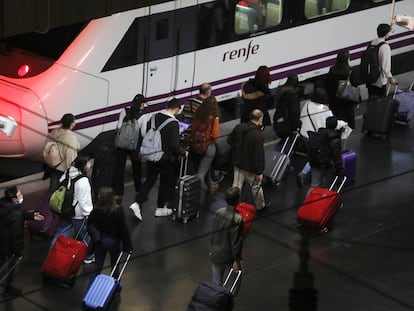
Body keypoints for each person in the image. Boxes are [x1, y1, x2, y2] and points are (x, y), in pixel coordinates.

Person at [130, 98, 188, 217]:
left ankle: (137, 202)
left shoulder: (153, 117)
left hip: (151, 155)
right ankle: (160, 208)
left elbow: (146, 132)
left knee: (149, 181)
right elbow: (173, 145)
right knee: (164, 183)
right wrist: (183, 152)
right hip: (165, 158)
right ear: (177, 109)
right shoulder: (173, 123)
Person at [49, 155, 95, 264]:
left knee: (60, 233)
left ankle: (52, 254)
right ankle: (88, 256)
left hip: (65, 210)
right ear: (83, 165)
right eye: (88, 162)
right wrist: (88, 214)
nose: (90, 164)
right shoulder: (83, 181)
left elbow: (61, 183)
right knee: (86, 236)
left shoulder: (68, 172)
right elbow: (85, 201)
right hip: (78, 214)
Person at [0, 186, 44, 297]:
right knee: (11, 267)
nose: (22, 196)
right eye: (19, 195)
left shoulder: (4, 206)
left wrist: (30, 216)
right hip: (10, 246)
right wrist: (18, 251)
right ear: (14, 199)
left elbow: (17, 213)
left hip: (2, 241)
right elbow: (17, 235)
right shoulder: (16, 214)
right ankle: (8, 287)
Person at [87, 187, 132, 287]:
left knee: (97, 267)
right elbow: (123, 228)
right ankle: (115, 287)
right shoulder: (117, 210)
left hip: (100, 241)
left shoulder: (96, 211)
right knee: (115, 266)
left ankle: (90, 288)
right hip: (114, 242)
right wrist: (128, 246)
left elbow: (90, 225)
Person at [227, 109, 270, 210]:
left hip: (237, 163)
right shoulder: (258, 136)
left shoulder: (239, 127)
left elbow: (229, 140)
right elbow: (258, 156)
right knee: (256, 187)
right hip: (250, 168)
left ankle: (233, 206)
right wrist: (259, 172)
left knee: (236, 187)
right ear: (260, 119)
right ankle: (260, 207)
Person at [112, 94, 147, 200]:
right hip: (134, 147)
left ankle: (118, 192)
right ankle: (139, 190)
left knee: (119, 169)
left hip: (121, 145)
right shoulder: (143, 117)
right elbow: (144, 133)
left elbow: (118, 126)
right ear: (141, 105)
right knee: (136, 169)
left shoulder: (124, 111)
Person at [210, 187, 243, 285]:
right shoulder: (237, 219)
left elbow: (213, 234)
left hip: (215, 253)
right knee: (233, 283)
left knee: (216, 283)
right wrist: (237, 260)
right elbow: (236, 242)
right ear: (238, 200)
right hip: (228, 257)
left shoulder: (218, 212)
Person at [190, 96, 221, 195]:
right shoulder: (214, 118)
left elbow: (193, 128)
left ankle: (211, 185)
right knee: (201, 173)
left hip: (195, 145)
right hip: (207, 147)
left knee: (204, 167)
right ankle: (193, 193)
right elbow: (215, 136)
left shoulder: (198, 114)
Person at [307, 116, 344, 195]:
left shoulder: (318, 135)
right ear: (335, 125)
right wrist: (340, 171)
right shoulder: (335, 139)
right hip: (328, 166)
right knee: (332, 187)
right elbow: (336, 157)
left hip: (316, 163)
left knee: (314, 186)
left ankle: (307, 204)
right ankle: (331, 204)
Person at [44, 113, 80, 193]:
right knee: (62, 192)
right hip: (63, 169)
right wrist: (72, 172)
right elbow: (71, 159)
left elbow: (46, 146)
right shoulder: (71, 139)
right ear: (71, 124)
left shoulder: (54, 132)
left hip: (53, 166)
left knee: (53, 189)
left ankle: (52, 202)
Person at [326, 51, 359, 129]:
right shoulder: (350, 71)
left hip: (335, 102)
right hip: (347, 101)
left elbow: (327, 85)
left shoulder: (332, 70)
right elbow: (355, 84)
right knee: (348, 124)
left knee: (337, 123)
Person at [366, 23, 398, 98]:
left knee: (372, 101)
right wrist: (390, 77)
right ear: (386, 34)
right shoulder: (385, 46)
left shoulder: (371, 43)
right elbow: (385, 66)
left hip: (370, 78)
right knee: (380, 103)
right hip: (379, 80)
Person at [273, 73, 302, 150]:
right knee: (289, 143)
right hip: (288, 122)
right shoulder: (292, 95)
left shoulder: (281, 90)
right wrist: (296, 126)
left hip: (279, 118)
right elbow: (294, 112)